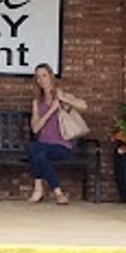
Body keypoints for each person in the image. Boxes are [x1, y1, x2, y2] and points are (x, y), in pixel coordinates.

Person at [28, 63, 88, 205]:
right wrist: (50, 111)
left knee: (35, 150)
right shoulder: (37, 102)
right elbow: (35, 129)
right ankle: (58, 193)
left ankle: (38, 189)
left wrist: (63, 100)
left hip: (61, 146)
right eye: (38, 77)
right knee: (37, 151)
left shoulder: (62, 95)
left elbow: (84, 106)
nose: (41, 80)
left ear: (51, 76)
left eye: (44, 75)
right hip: (43, 145)